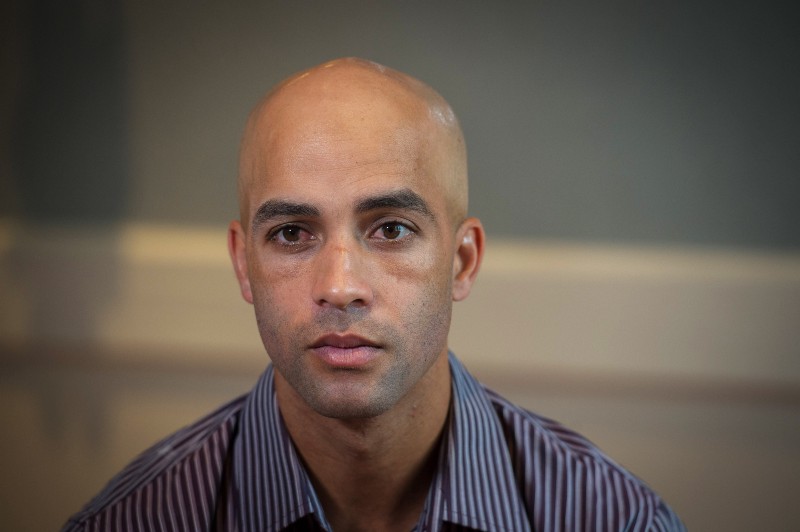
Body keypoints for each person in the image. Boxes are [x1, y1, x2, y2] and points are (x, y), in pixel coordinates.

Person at [63, 57, 684, 532]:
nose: (339, 287)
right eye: (291, 233)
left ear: (462, 261)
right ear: (242, 264)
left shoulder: (616, 520)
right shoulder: (132, 521)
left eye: (391, 230)